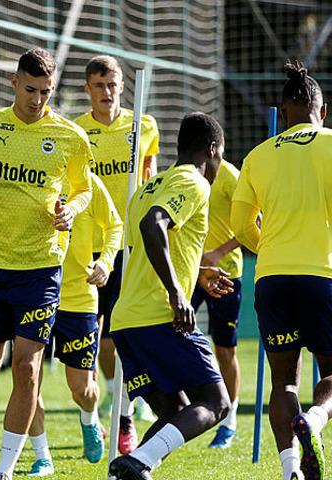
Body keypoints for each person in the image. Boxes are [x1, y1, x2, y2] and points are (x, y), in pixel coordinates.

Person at [0, 47, 92, 480]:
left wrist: (72, 209)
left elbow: (84, 190)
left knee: (28, 365)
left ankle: (5, 470)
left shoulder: (69, 137)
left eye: (46, 92)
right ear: (14, 82)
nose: (38, 100)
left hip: (42, 266)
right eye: (31, 90)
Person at [231, 61, 332, 480]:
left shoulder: (257, 156)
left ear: (283, 112)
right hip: (323, 274)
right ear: (322, 111)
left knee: (283, 382)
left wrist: (268, 250)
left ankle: (292, 469)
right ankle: (315, 419)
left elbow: (240, 227)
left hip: (271, 278)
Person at [107, 112, 234, 480]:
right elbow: (154, 225)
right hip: (160, 316)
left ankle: (124, 472)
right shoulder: (192, 182)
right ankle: (135, 463)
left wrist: (197, 273)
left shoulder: (149, 186)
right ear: (211, 150)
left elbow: (153, 246)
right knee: (215, 403)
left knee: (175, 416)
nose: (219, 165)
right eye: (220, 156)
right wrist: (178, 292)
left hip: (128, 320)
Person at [73, 55, 160, 453]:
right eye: (99, 85)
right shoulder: (76, 131)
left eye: (113, 84)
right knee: (98, 336)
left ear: (123, 85)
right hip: (89, 245)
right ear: (87, 89)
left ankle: (126, 413)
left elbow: (150, 176)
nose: (107, 92)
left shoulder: (143, 124)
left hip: (130, 245)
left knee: (128, 330)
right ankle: (108, 394)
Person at [25, 173, 122, 475]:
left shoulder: (88, 183)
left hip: (79, 297)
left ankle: (90, 418)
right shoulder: (27, 176)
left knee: (81, 389)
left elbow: (115, 226)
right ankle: (42, 456)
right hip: (31, 293)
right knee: (27, 379)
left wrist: (105, 262)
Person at [190, 158, 245, 449]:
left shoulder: (231, 177)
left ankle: (229, 421)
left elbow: (254, 224)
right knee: (173, 331)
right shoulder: (187, 173)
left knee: (225, 349)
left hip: (226, 273)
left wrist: (218, 252)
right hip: (190, 271)